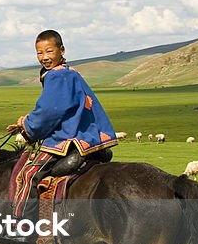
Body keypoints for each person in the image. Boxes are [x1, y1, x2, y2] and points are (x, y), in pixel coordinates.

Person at [7, 30, 117, 189]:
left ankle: (25, 214)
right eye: (39, 53)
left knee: (28, 174)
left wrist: (27, 124)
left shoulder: (57, 75)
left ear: (62, 50)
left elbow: (50, 111)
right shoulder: (68, 72)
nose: (44, 57)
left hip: (70, 136)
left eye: (49, 51)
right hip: (88, 135)